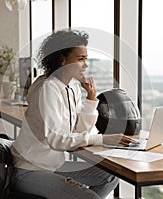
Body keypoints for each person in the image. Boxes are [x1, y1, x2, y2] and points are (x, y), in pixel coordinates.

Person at [10, 29, 135, 199]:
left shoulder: (73, 86)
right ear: (62, 60)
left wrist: (91, 99)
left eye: (86, 59)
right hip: (29, 169)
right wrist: (101, 139)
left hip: (53, 165)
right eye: (80, 59)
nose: (86, 65)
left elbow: (78, 132)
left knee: (111, 175)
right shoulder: (47, 87)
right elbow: (55, 140)